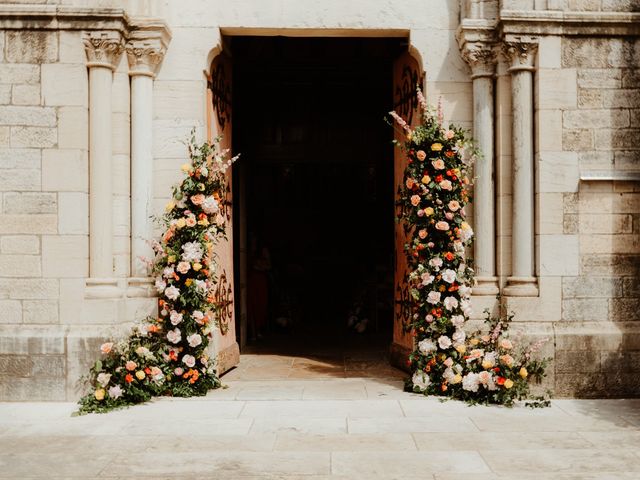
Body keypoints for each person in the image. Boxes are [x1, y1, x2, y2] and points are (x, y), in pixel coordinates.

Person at [247, 233, 271, 340]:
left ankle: (259, 329)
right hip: (250, 279)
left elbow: (268, 266)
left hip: (260, 279)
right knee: (251, 304)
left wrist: (259, 265)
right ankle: (252, 331)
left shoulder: (262, 251)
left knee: (261, 304)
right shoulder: (247, 251)